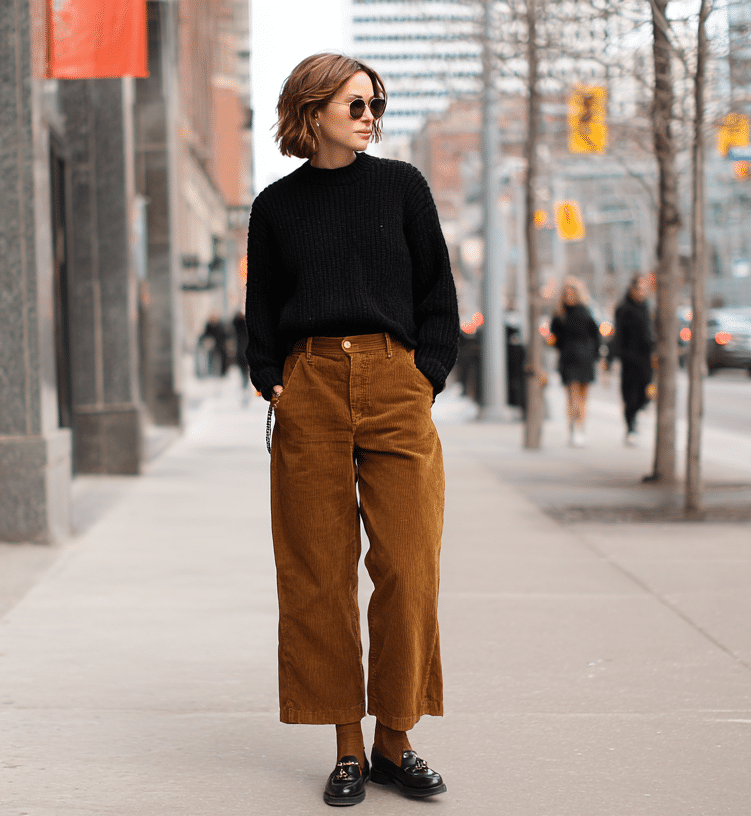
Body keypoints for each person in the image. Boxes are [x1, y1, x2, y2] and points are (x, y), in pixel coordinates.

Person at [245, 52, 458, 807]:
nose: (370, 117)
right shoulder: (276, 207)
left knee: (408, 563)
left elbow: (437, 288)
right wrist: (271, 375)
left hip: (395, 384)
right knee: (318, 573)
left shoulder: (402, 188)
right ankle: (346, 747)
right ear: (314, 111)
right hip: (309, 388)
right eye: (356, 104)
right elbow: (262, 307)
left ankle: (395, 740)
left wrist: (426, 372)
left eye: (375, 105)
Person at [548, 278, 600, 447]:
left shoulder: (585, 312)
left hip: (585, 359)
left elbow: (595, 335)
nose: (568, 297)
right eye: (566, 294)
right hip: (569, 359)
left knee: (582, 397)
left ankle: (580, 427)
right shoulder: (559, 315)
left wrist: (596, 355)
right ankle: (574, 427)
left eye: (571, 294)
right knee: (572, 395)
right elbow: (554, 338)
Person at [614, 275, 654, 447]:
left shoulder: (647, 307)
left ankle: (637, 413)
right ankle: (630, 426)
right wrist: (614, 358)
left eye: (645, 289)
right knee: (630, 394)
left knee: (646, 391)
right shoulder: (624, 309)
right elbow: (619, 335)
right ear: (632, 289)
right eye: (640, 288)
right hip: (629, 357)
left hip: (646, 357)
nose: (642, 292)